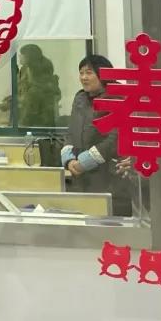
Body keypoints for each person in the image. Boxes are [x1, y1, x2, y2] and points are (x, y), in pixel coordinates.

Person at [61, 54, 132, 216]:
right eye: (81, 73)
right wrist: (69, 159)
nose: (83, 77)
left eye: (89, 72)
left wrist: (87, 161)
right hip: (82, 178)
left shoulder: (118, 96)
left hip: (110, 177)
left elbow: (116, 137)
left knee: (109, 219)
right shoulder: (80, 98)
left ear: (103, 73)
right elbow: (72, 131)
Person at [0, 43, 62, 128]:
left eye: (22, 54)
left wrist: (19, 101)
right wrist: (12, 101)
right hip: (23, 118)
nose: (19, 56)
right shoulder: (24, 70)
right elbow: (22, 92)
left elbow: (33, 101)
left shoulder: (40, 77)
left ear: (28, 57)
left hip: (38, 124)